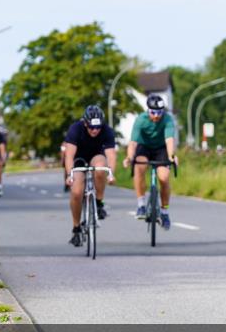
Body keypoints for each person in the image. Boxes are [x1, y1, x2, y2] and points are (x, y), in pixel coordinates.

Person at [64, 105, 117, 247]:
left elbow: (111, 155)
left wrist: (111, 172)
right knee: (76, 192)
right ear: (85, 123)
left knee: (100, 168)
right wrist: (70, 175)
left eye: (98, 127)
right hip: (78, 159)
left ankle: (99, 203)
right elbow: (69, 155)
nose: (95, 130)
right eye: (92, 127)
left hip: (96, 156)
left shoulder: (107, 131)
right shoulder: (76, 129)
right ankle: (76, 228)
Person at [122, 95, 177, 229]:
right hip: (144, 147)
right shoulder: (141, 120)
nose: (156, 116)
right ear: (148, 110)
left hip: (161, 149)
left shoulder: (168, 119)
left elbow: (169, 140)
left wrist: (171, 156)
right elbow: (133, 143)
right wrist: (129, 158)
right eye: (153, 112)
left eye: (160, 112)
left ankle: (165, 211)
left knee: (164, 178)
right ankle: (141, 205)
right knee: (139, 167)